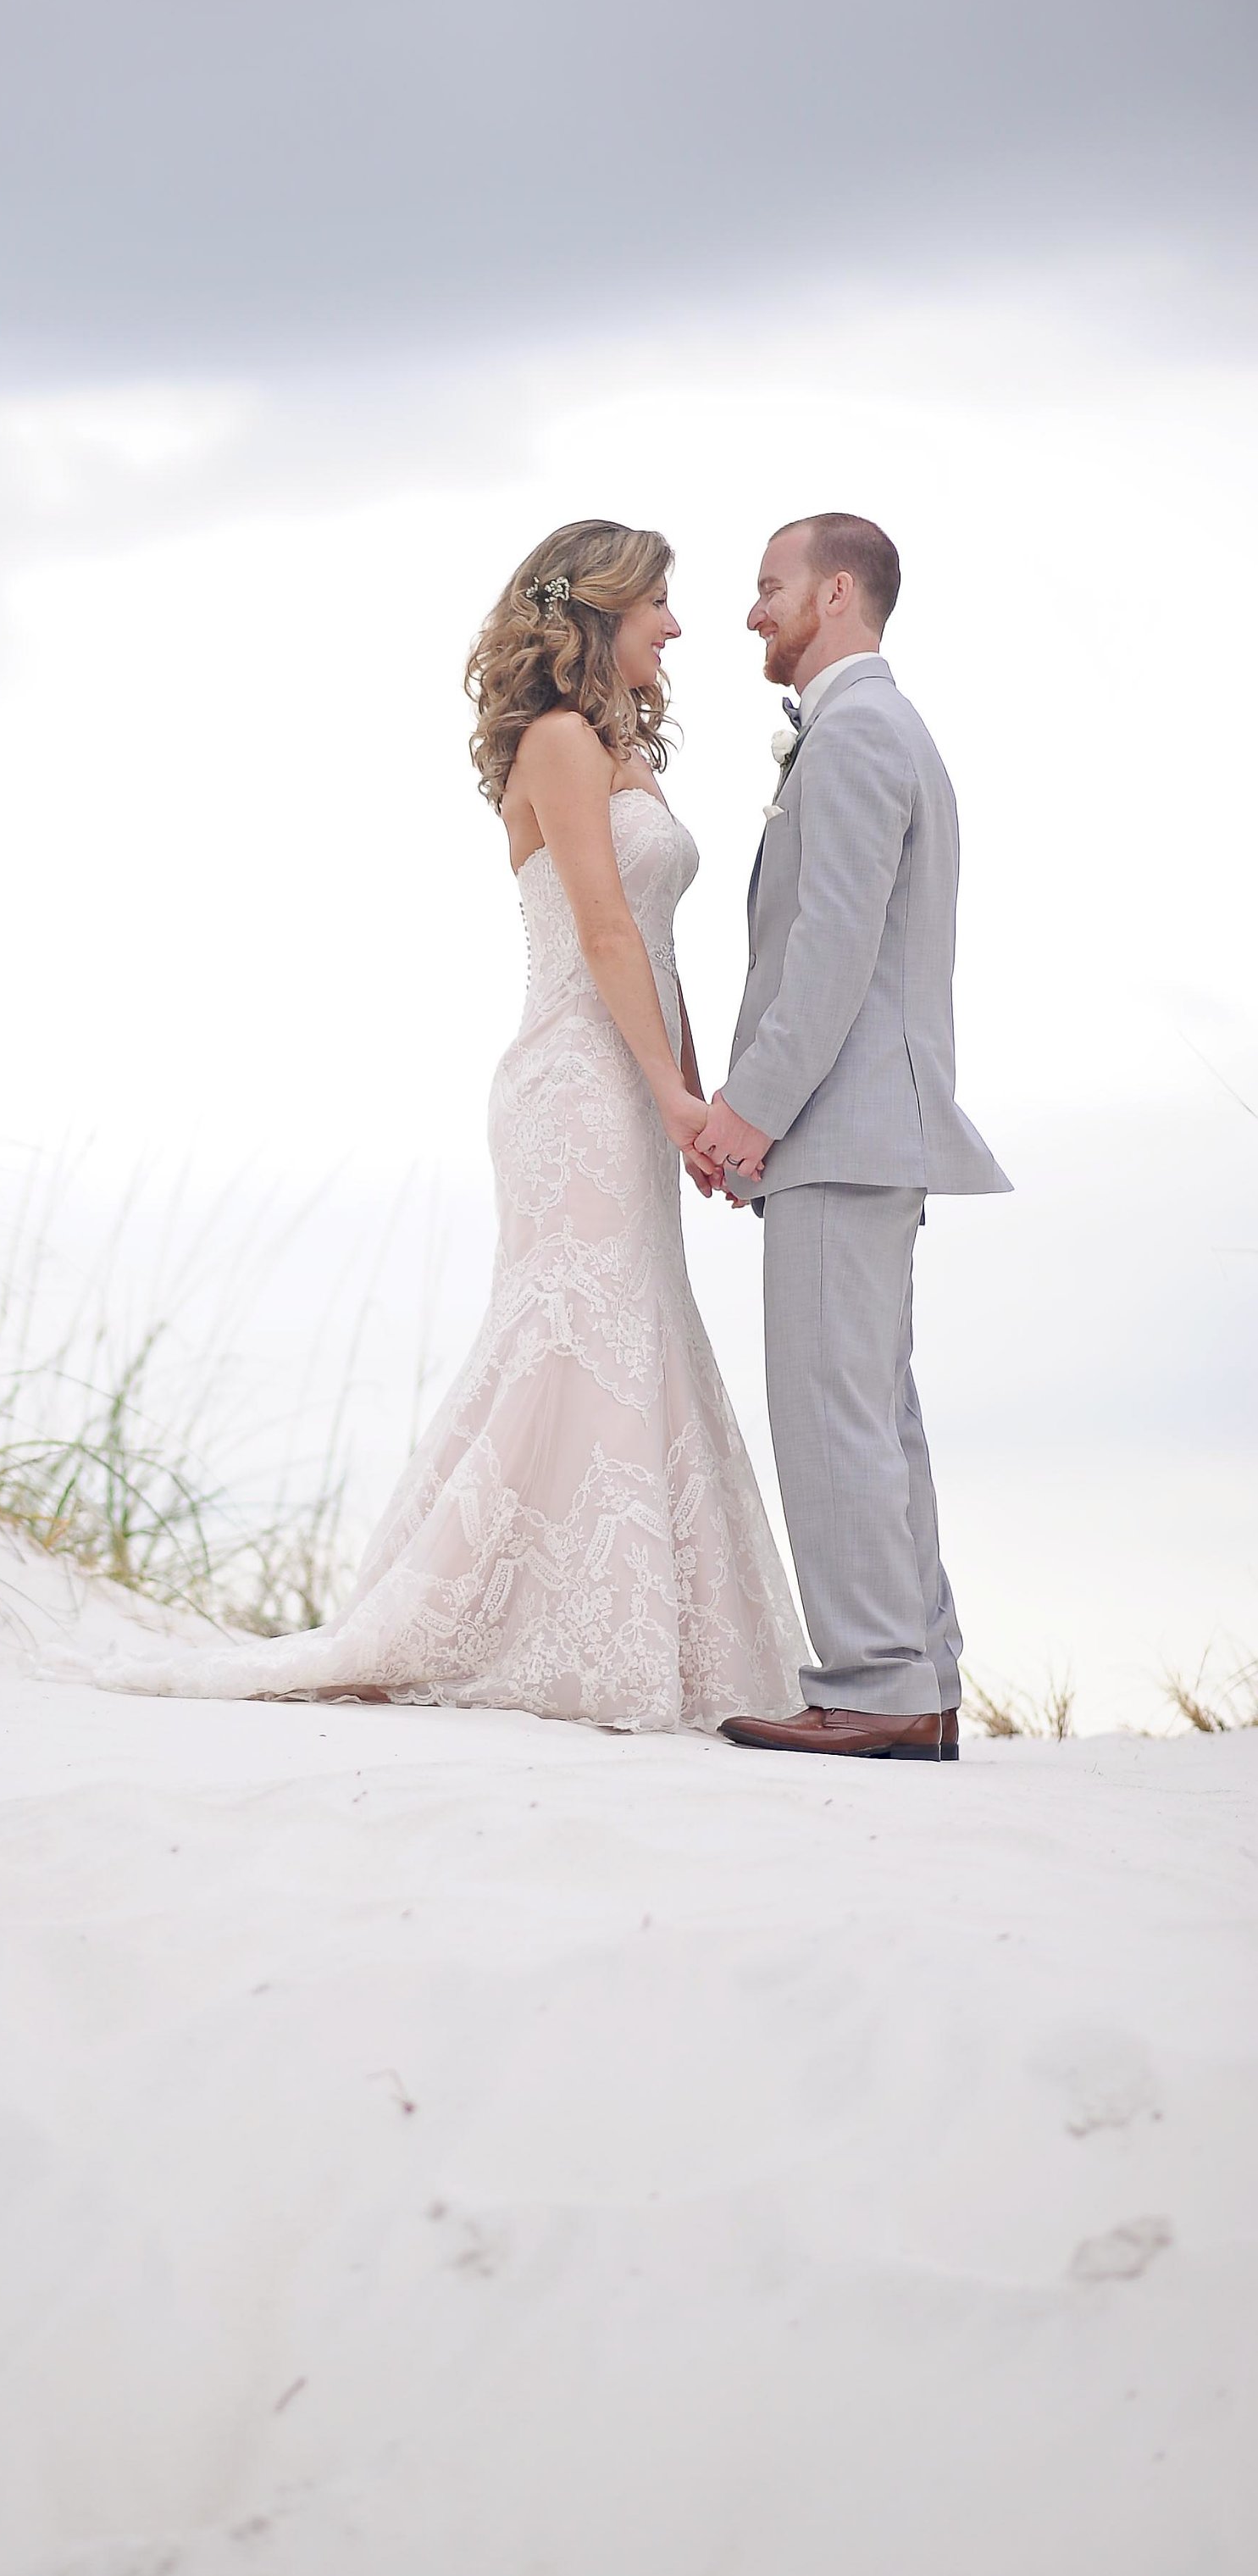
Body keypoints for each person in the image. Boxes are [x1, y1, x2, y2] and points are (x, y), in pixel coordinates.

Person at [78, 519, 803, 1733]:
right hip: (572, 1087)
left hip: (632, 1081)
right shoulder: (560, 743)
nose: (678, 627)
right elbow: (606, 933)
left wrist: (691, 1098)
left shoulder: (629, 757)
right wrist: (669, 1094)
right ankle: (510, 1621)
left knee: (637, 1322)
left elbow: (664, 953)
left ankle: (631, 1626)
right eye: (660, 605)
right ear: (603, 614)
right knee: (576, 1329)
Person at [696, 514, 1009, 1762]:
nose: (751, 610)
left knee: (834, 1412)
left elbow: (830, 956)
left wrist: (746, 1113)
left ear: (835, 593)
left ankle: (877, 1685)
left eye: (767, 586)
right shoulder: (879, 729)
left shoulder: (862, 731)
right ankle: (916, 1680)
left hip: (841, 1126)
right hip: (871, 1125)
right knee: (873, 1409)